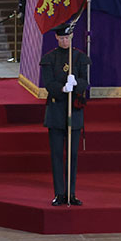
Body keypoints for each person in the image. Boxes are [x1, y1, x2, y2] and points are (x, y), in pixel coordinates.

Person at [40, 23, 88, 206]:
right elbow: (48, 84)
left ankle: (71, 193)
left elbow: (85, 81)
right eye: (61, 38)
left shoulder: (79, 57)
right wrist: (62, 88)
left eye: (67, 38)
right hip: (56, 111)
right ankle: (59, 193)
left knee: (72, 155)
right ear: (56, 38)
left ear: (72, 37)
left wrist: (76, 85)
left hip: (73, 111)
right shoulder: (49, 58)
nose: (65, 41)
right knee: (57, 155)